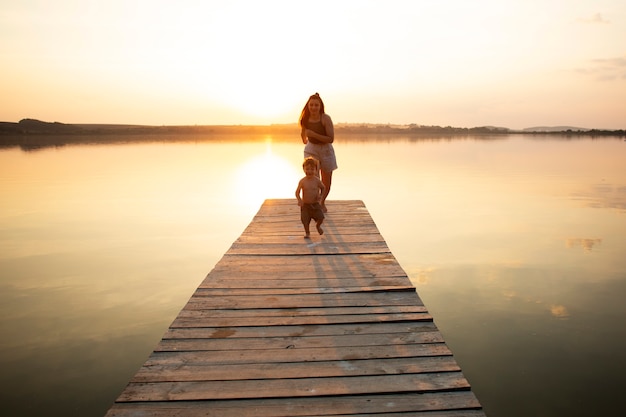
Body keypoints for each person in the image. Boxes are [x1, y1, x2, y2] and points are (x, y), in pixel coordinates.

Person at [299, 92, 337, 212]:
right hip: (312, 149)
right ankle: (314, 204)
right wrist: (305, 139)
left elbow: (331, 139)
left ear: (320, 106)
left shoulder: (325, 118)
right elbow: (303, 132)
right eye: (311, 105)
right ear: (308, 106)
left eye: (316, 105)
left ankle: (322, 202)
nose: (314, 107)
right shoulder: (305, 119)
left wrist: (314, 134)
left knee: (326, 181)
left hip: (326, 149)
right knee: (313, 179)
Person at [295, 157, 326, 238]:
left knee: (321, 217)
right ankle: (307, 233)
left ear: (316, 170)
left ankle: (318, 226)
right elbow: (297, 192)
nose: (309, 171)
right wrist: (299, 200)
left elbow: (323, 188)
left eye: (312, 169)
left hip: (315, 204)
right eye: (307, 169)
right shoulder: (302, 181)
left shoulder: (317, 180)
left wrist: (320, 196)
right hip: (305, 205)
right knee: (305, 220)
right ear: (304, 169)